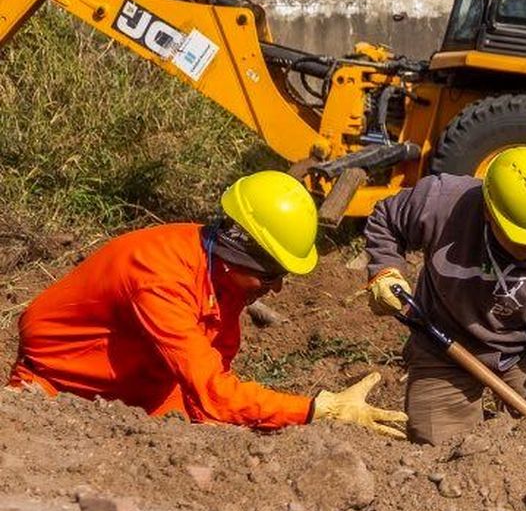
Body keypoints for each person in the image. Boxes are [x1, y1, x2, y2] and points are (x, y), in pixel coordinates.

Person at [8, 171, 405, 436]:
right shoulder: (160, 276)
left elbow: (213, 380)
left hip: (142, 389)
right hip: (58, 391)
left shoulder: (223, 275)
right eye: (271, 276)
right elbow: (214, 392)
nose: (279, 288)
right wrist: (318, 409)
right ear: (239, 256)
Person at [365, 145, 526, 444]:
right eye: (519, 240)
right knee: (440, 449)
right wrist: (385, 270)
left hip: (521, 353)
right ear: (488, 212)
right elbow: (386, 219)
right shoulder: (441, 202)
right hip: (441, 343)